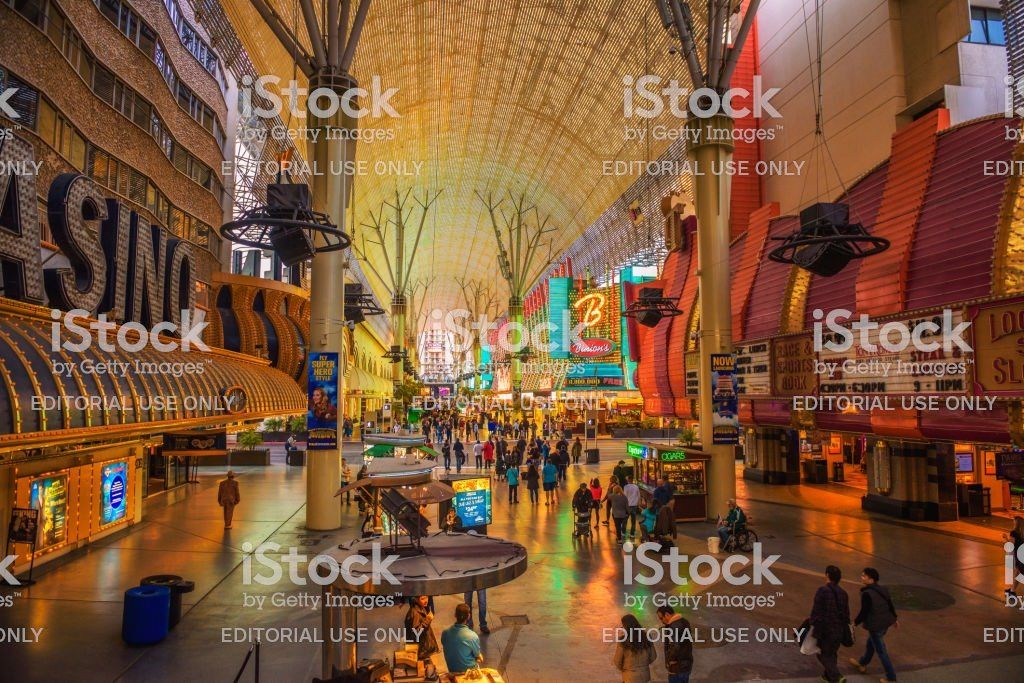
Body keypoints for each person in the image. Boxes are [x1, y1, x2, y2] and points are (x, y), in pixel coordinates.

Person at [848, 567, 898, 682]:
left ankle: (891, 678)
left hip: (875, 625)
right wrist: (894, 618)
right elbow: (890, 604)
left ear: (871, 580)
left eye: (864, 576)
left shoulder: (867, 594)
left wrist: (855, 622)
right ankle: (862, 663)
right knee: (871, 644)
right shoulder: (883, 589)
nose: (862, 577)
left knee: (881, 651)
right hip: (885, 622)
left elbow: (864, 611)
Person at [810, 565, 851, 683]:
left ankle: (836, 676)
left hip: (825, 630)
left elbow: (816, 611)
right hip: (839, 630)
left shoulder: (823, 591)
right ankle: (827, 676)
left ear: (827, 575)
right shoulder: (844, 593)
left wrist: (813, 625)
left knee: (822, 654)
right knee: (832, 653)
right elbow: (846, 614)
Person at [612, 614, 657, 683]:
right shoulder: (647, 637)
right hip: (644, 676)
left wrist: (626, 668)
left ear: (626, 626)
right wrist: (643, 666)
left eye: (623, 625)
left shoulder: (623, 640)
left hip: (629, 677)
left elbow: (617, 661)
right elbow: (653, 656)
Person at [440, 603, 483, 674]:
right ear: (469, 616)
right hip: (468, 672)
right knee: (480, 658)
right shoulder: (472, 636)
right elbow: (477, 655)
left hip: (452, 670)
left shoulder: (445, 633)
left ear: (455, 615)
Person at [655, 606, 693, 683]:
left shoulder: (673, 627)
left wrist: (670, 660)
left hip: (677, 667)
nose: (661, 621)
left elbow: (675, 646)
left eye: (661, 618)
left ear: (667, 615)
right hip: (686, 664)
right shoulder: (684, 621)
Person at [404, 595, 439, 679]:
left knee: (429, 674)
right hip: (421, 652)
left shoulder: (420, 608)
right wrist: (428, 620)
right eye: (422, 598)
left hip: (423, 650)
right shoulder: (415, 612)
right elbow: (416, 632)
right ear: (416, 599)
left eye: (426, 597)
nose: (426, 600)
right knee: (429, 676)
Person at [1007, 516, 1024, 597]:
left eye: (1013, 521)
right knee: (1018, 572)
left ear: (1016, 523)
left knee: (1020, 574)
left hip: (1018, 555)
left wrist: (1005, 539)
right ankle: (1012, 590)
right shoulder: (1022, 532)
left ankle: (1012, 591)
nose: (1013, 523)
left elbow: (1011, 545)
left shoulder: (1013, 532)